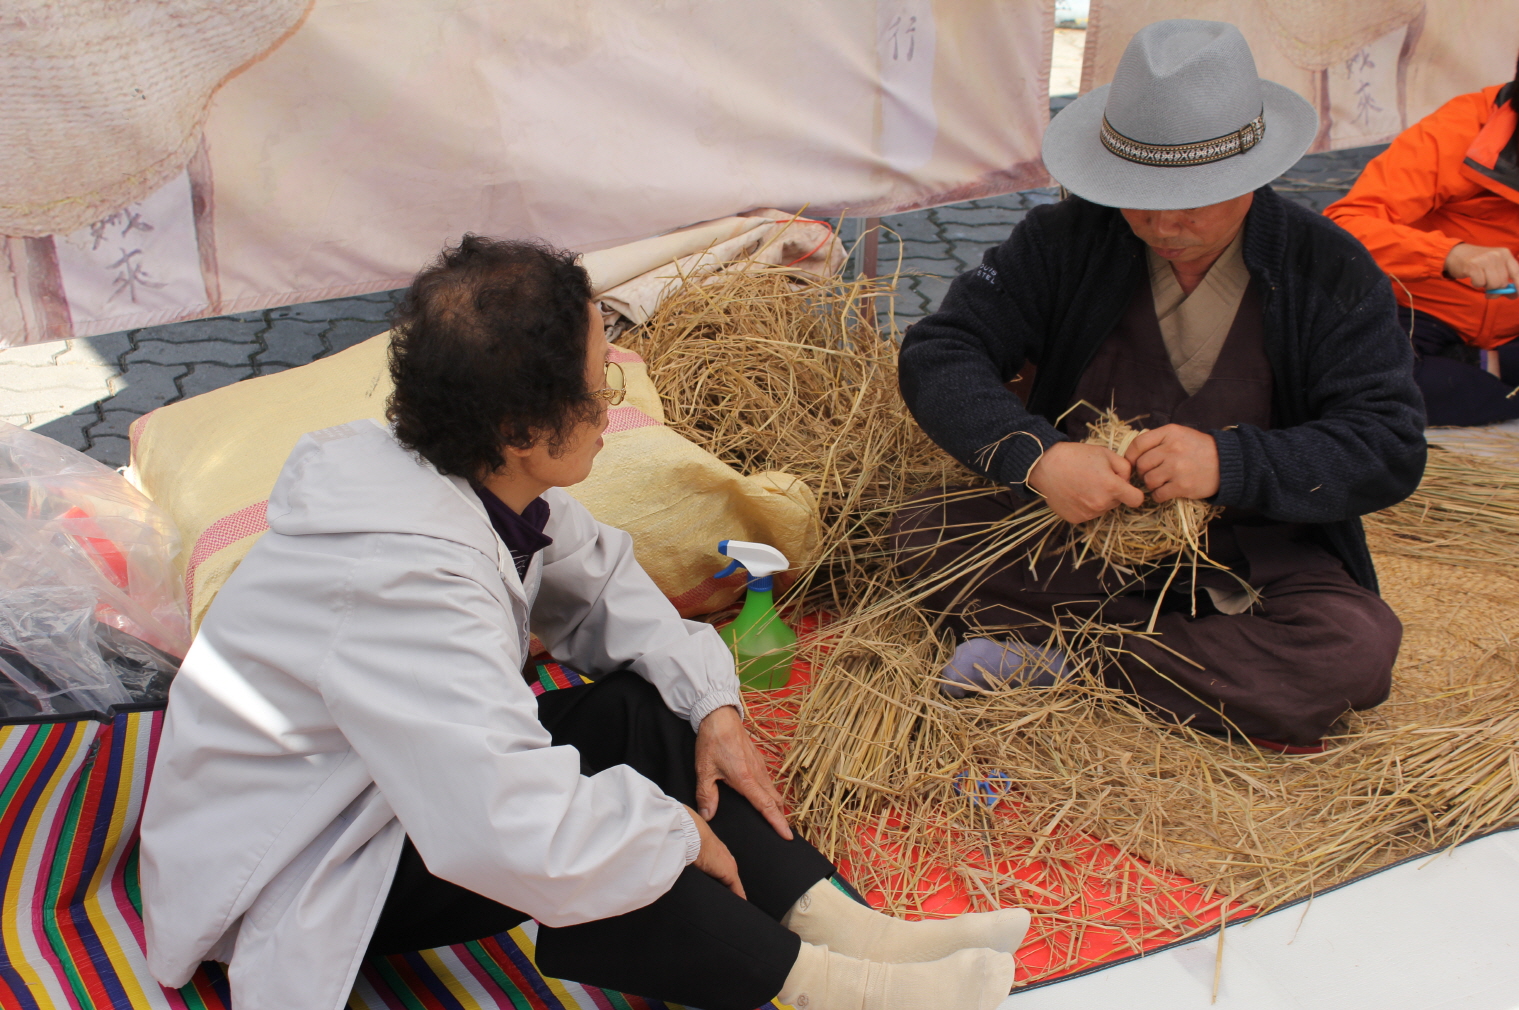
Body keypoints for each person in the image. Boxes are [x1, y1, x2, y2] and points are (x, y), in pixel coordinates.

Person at [137, 237, 1030, 1010]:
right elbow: (506, 827)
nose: (614, 399)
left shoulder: (476, 478)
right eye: (600, 385)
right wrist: (673, 831)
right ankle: (832, 989)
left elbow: (605, 588)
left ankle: (853, 930)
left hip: (385, 790)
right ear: (525, 425)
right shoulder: (398, 577)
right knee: (605, 843)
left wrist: (714, 707)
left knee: (647, 714)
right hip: (295, 859)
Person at [893, 20, 1427, 750]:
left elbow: (1386, 444)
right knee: (916, 538)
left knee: (1348, 655)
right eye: (1137, 196)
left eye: (1190, 200)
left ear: (1250, 175)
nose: (1159, 222)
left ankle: (1072, 658)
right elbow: (940, 350)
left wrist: (1228, 465)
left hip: (1254, 555)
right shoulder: (1066, 241)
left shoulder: (1327, 271)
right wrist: (1038, 458)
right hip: (1076, 538)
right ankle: (1178, 658)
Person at [1326, 56, 1519, 426]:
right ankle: (1490, 376)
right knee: (1377, 382)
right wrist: (1450, 255)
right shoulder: (1462, 125)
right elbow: (1343, 227)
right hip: (1420, 314)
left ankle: (1486, 370)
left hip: (1511, 331)